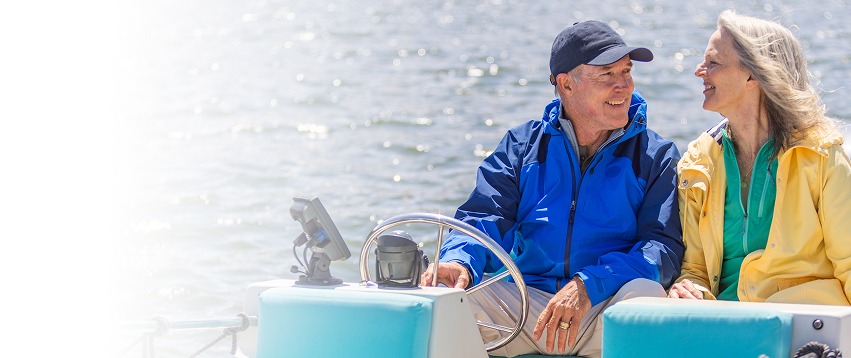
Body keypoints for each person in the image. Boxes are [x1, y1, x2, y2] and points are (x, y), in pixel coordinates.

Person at [421, 21, 684, 357]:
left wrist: (589, 285)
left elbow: (661, 248)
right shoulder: (521, 147)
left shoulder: (656, 155)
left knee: (647, 295)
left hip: (604, 306)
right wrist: (459, 262)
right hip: (529, 308)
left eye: (627, 71)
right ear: (566, 84)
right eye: (607, 74)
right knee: (446, 301)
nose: (624, 85)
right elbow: (484, 218)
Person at [669, 10, 851, 305]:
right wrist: (689, 290)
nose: (700, 71)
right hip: (723, 321)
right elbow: (695, 269)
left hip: (803, 324)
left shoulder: (822, 158)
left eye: (713, 62)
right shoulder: (698, 161)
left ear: (753, 74)